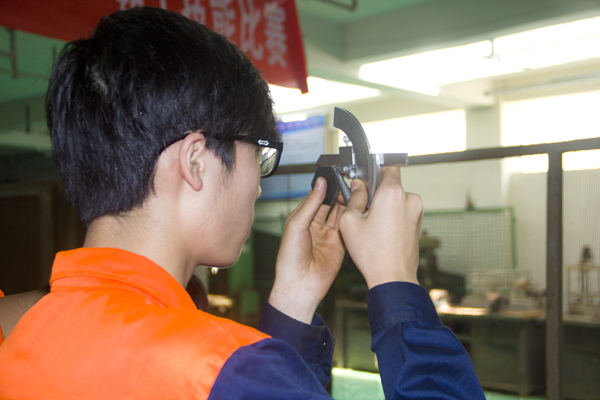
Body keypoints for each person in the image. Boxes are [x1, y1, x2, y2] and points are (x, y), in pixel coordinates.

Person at [0, 6, 485, 399]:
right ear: (195, 162)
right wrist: (396, 283)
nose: (256, 185)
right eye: (260, 154)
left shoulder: (20, 333)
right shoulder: (226, 372)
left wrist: (293, 300)